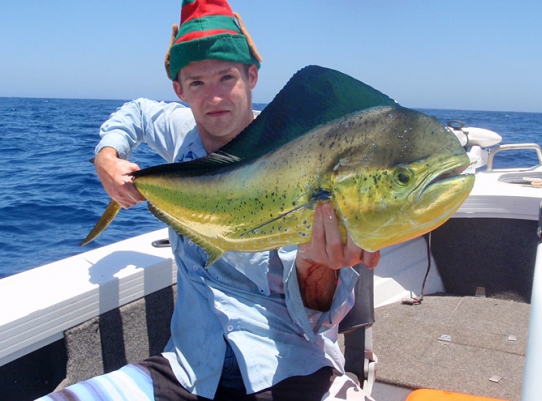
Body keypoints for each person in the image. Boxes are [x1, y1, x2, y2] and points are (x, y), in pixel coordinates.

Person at [39, 1, 379, 400]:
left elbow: (316, 321)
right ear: (179, 90)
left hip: (290, 367)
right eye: (197, 83)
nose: (214, 97)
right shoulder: (183, 133)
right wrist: (107, 158)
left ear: (252, 76)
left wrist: (320, 267)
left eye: (226, 77)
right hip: (187, 368)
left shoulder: (296, 158)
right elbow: (137, 113)